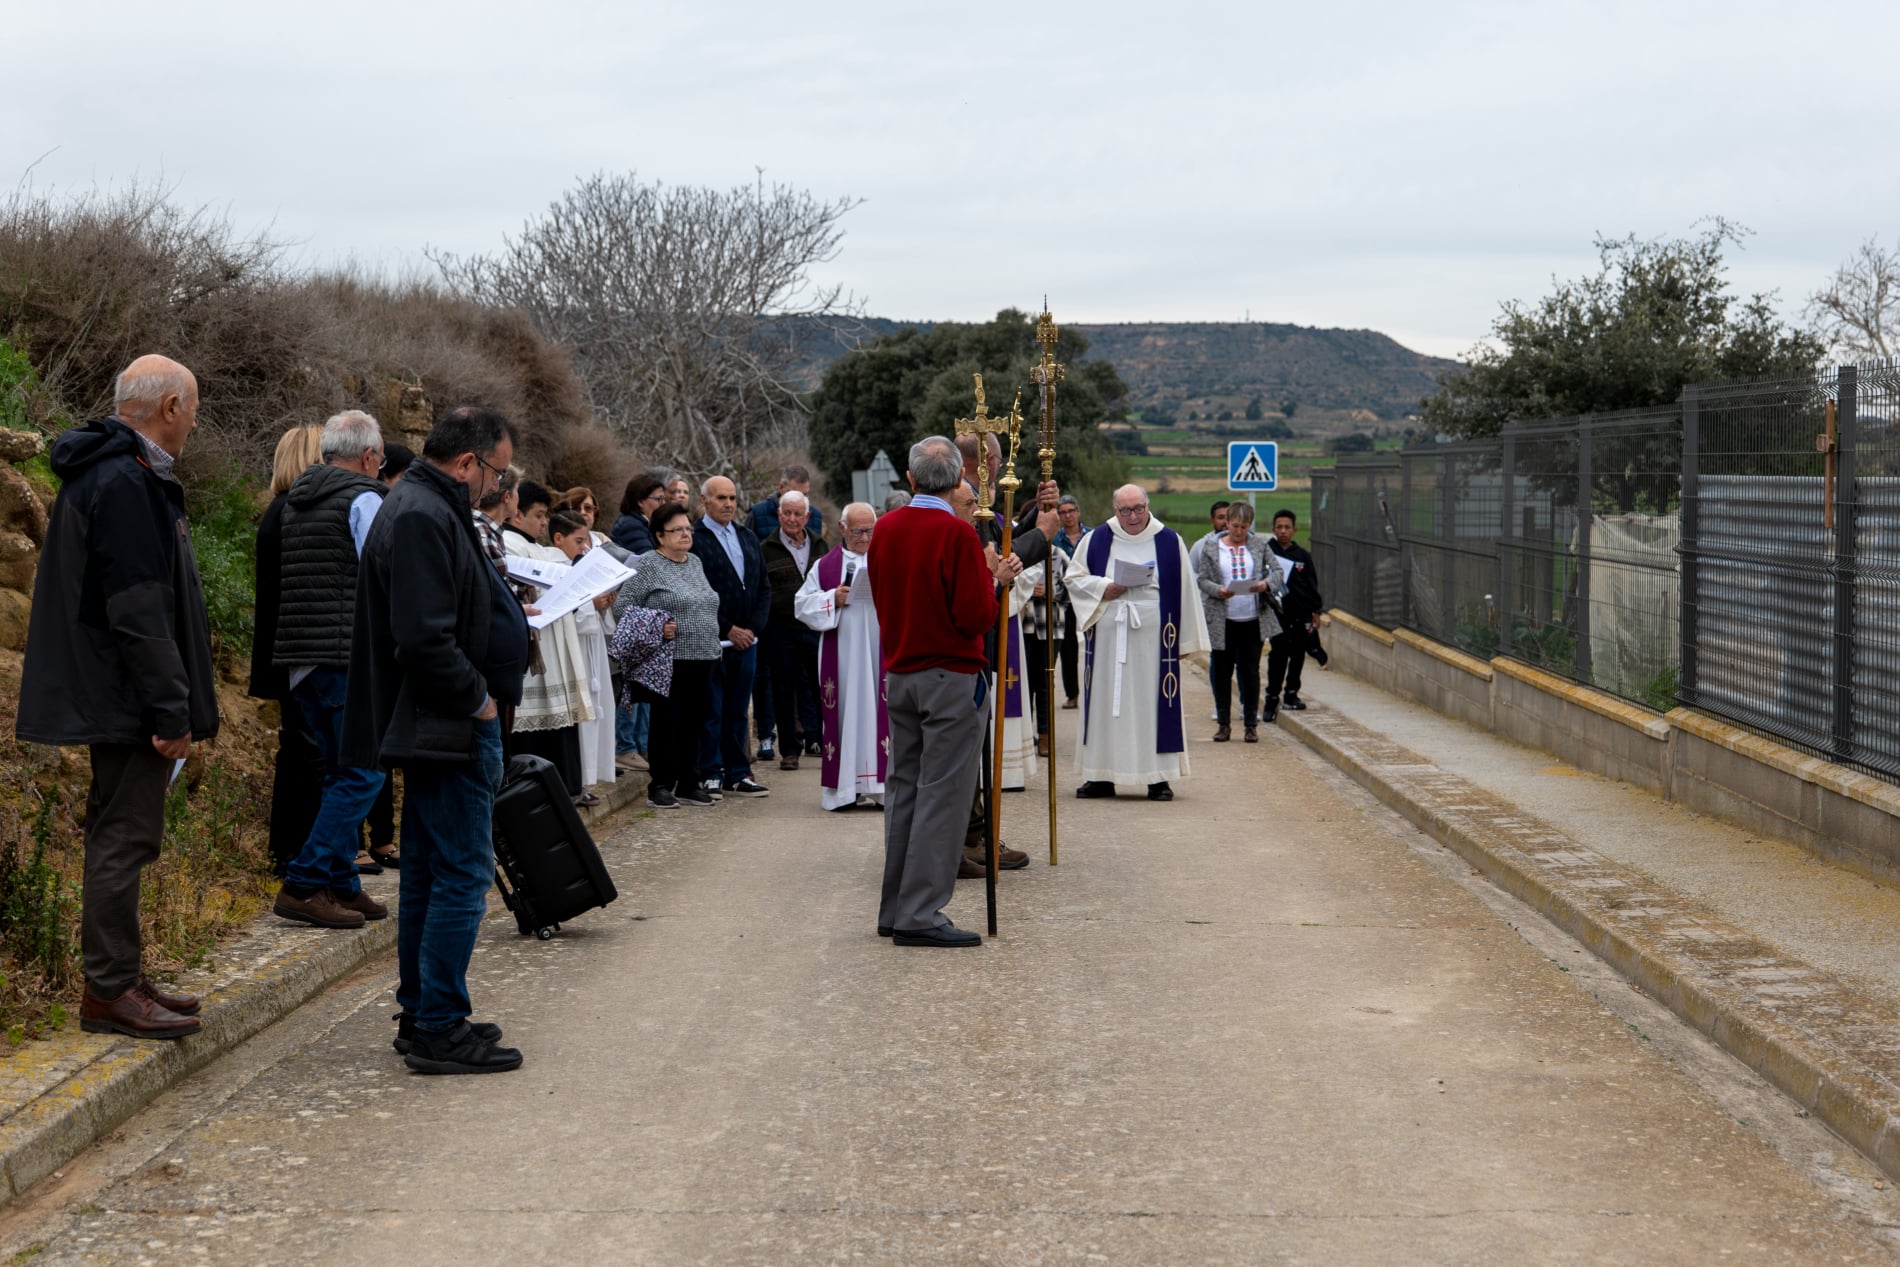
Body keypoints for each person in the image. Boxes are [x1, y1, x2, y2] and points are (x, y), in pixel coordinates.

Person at [17, 354, 217, 1040]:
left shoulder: (107, 474)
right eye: (191, 407)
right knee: (123, 840)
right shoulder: (126, 483)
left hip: (112, 691)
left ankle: (122, 977)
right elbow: (138, 610)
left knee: (116, 836)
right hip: (127, 698)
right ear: (168, 408)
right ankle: (108, 991)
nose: (194, 420)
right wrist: (171, 709)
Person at [342, 404, 528, 1075]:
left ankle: (425, 1010)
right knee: (459, 873)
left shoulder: (423, 503)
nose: (501, 489)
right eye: (498, 473)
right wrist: (479, 702)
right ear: (467, 462)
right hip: (447, 722)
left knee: (427, 869)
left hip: (437, 722)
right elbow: (424, 637)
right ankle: (439, 1026)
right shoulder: (423, 512)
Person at [870, 437, 1017, 947]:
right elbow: (974, 616)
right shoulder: (955, 535)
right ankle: (920, 913)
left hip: (901, 674)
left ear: (911, 479)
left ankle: (895, 907)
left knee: (904, 790)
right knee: (943, 798)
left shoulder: (884, 529)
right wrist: (994, 579)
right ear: (959, 482)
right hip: (949, 678)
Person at [270, 410, 391, 929]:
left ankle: (342, 881)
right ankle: (305, 880)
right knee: (364, 769)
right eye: (381, 460)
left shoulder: (297, 500)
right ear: (368, 456)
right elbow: (382, 575)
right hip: (346, 656)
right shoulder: (363, 498)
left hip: (302, 657)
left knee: (338, 772)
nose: (382, 469)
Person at [1064, 484, 1211, 801]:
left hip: (1154, 638)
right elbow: (1073, 579)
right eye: (1125, 510)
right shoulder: (1097, 539)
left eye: (1138, 508)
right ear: (1115, 510)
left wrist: (1185, 641)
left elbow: (1186, 588)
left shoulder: (1169, 541)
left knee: (1152, 704)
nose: (1132, 516)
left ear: (1148, 505)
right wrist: (1105, 586)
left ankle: (1157, 778)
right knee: (1106, 702)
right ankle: (1101, 775)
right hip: (1108, 633)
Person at [251, 424, 326, 880]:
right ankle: (296, 851)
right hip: (299, 650)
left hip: (281, 649)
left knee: (296, 751)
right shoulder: (294, 515)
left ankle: (286, 847)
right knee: (308, 752)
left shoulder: (275, 512)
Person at [613, 501, 722, 808]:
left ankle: (689, 782)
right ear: (660, 535)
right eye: (678, 530)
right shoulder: (647, 565)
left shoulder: (695, 562)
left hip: (704, 656)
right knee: (667, 722)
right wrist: (658, 626)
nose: (687, 534)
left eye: (689, 528)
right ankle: (660, 784)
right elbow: (623, 607)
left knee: (695, 722)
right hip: (667, 659)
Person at [795, 502, 885, 809]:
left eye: (870, 530)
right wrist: (832, 597)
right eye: (857, 531)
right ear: (842, 529)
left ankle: (882, 788)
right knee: (844, 712)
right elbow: (801, 605)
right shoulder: (825, 567)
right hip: (842, 652)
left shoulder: (888, 560)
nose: (864, 537)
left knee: (881, 712)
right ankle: (845, 790)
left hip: (879, 651)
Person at [689, 475, 771, 798]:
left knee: (739, 709)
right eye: (721, 498)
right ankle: (710, 771)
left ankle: (738, 772)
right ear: (704, 499)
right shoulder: (695, 538)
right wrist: (728, 629)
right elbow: (697, 591)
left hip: (747, 641)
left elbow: (763, 586)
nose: (728, 504)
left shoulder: (747, 537)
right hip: (714, 640)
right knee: (712, 709)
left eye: (732, 498)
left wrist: (752, 629)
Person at [505, 509, 594, 801]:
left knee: (561, 726)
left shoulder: (540, 550)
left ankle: (567, 788)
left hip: (556, 642)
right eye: (539, 514)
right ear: (517, 514)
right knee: (535, 729)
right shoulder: (509, 542)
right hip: (535, 650)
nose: (544, 522)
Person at [1195, 501, 1281, 744]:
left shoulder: (1260, 544)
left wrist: (1264, 585)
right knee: (1222, 672)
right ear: (1227, 523)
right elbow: (1202, 579)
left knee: (1250, 672)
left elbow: (1277, 572)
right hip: (1223, 618)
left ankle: (1251, 725)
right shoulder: (1212, 547)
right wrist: (1219, 590)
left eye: (1244, 527)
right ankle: (1223, 724)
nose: (1239, 531)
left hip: (1252, 619)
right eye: (1234, 526)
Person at [549, 507, 620, 794]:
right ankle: (577, 781)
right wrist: (592, 603)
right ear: (557, 539)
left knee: (598, 713)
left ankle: (587, 781)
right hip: (572, 653)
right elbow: (560, 610)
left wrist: (603, 603)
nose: (585, 547)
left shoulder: (581, 563)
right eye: (579, 541)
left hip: (591, 652)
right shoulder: (553, 566)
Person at [759, 489, 828, 770]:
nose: (792, 518)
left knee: (821, 688)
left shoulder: (820, 545)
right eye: (787, 513)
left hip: (814, 628)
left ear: (807, 516)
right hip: (781, 630)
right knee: (783, 690)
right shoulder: (766, 548)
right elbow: (763, 589)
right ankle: (789, 750)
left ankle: (824, 741)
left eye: (798, 513)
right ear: (779, 515)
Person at [1265, 508, 1324, 721]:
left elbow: (1311, 584)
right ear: (1273, 529)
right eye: (1279, 527)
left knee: (1298, 654)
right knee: (1278, 654)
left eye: (1287, 527)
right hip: (1278, 612)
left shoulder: (1302, 556)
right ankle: (1272, 697)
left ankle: (1291, 694)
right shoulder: (1267, 552)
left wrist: (1316, 610)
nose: (1283, 531)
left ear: (1294, 530)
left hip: (1301, 613)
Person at [1053, 495, 1086, 709]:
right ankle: (1072, 694)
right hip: (1065, 601)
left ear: (1078, 511)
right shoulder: (1055, 540)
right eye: (1063, 512)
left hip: (1090, 597)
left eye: (1071, 511)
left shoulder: (1092, 536)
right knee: (1068, 649)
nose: (1068, 515)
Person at [748, 463, 826, 541]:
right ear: (781, 487)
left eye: (804, 495)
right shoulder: (757, 513)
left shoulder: (815, 516)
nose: (798, 499)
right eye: (793, 494)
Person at [611, 472, 666, 554]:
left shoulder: (643, 523)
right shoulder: (631, 526)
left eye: (664, 499)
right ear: (640, 501)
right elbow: (648, 560)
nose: (663, 503)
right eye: (658, 499)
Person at [506, 479, 551, 549]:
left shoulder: (531, 544)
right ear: (518, 516)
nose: (544, 522)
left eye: (545, 516)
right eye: (539, 516)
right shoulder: (507, 544)